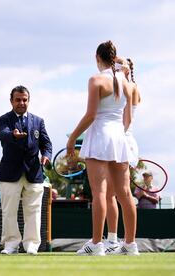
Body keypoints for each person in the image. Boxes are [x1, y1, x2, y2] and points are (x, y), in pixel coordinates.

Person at [67, 41, 139, 256]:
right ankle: (130, 245)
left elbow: (90, 116)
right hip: (119, 138)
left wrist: (71, 139)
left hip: (100, 137)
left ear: (97, 57)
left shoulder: (96, 79)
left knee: (100, 193)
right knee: (125, 194)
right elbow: (128, 119)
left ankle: (97, 244)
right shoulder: (126, 83)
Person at [0, 85, 52, 255]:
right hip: (9, 172)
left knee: (34, 210)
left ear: (29, 100)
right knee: (9, 210)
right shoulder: (3, 119)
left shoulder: (38, 121)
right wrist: (13, 134)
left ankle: (31, 245)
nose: (21, 103)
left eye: (24, 99)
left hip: (34, 172)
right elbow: (3, 135)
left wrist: (46, 155)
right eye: (18, 100)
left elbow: (46, 143)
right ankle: (11, 244)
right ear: (11, 101)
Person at [104, 56, 141, 253]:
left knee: (122, 193)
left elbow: (126, 121)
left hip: (122, 141)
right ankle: (113, 240)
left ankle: (129, 243)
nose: (115, 67)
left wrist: (118, 139)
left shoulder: (128, 86)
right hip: (120, 140)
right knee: (110, 193)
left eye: (118, 64)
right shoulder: (124, 85)